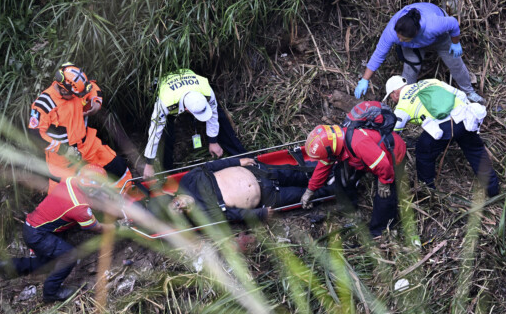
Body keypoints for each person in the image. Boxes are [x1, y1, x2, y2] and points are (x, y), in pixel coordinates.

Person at [0, 166, 114, 303]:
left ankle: (8, 267)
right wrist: (114, 227)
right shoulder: (79, 207)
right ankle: (51, 293)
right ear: (91, 188)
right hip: (39, 235)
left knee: (50, 262)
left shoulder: (70, 181)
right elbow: (96, 227)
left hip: (33, 226)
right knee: (69, 256)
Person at [383, 76, 500, 197]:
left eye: (391, 97)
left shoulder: (402, 105)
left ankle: (427, 192)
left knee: (423, 153)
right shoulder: (430, 81)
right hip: (465, 119)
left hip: (442, 129)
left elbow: (393, 132)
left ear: (394, 93)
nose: (393, 100)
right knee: (476, 151)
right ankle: (493, 189)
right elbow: (460, 94)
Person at [28, 62, 132, 193]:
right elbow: (35, 135)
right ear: (64, 89)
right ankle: (85, 211)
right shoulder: (44, 104)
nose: (79, 97)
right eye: (75, 94)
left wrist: (96, 100)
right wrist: (63, 149)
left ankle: (128, 196)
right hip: (62, 157)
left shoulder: (76, 89)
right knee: (63, 193)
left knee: (117, 167)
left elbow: (92, 86)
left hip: (87, 143)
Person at [354, 2, 484, 104]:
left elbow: (453, 24)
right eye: (398, 37)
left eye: (402, 39)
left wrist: (455, 43)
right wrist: (365, 79)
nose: (398, 40)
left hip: (439, 38)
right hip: (412, 46)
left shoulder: (434, 25)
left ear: (415, 34)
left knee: (455, 63)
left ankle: (469, 92)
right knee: (411, 69)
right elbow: (379, 54)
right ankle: (407, 102)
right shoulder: (393, 32)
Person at [300, 125, 406, 238]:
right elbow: (322, 168)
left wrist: (385, 182)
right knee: (341, 175)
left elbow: (383, 165)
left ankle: (380, 231)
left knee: (385, 194)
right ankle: (350, 211)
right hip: (365, 160)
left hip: (391, 155)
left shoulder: (358, 143)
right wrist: (310, 190)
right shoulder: (331, 145)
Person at [154, 157, 331, 224]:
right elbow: (233, 215)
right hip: (269, 197)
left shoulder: (189, 180)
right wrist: (259, 214)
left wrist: (238, 162)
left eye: (176, 204)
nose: (181, 207)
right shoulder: (203, 215)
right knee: (306, 195)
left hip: (260, 172)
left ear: (172, 196)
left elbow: (211, 166)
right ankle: (339, 187)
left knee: (301, 171)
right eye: (179, 212)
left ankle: (333, 165)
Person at [144, 69, 247, 177]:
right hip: (169, 88)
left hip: (186, 75)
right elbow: (155, 131)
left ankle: (241, 155)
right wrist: (149, 163)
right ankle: (167, 172)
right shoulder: (165, 102)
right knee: (166, 134)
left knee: (221, 118)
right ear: (187, 110)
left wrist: (213, 141)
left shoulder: (206, 91)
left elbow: (214, 114)